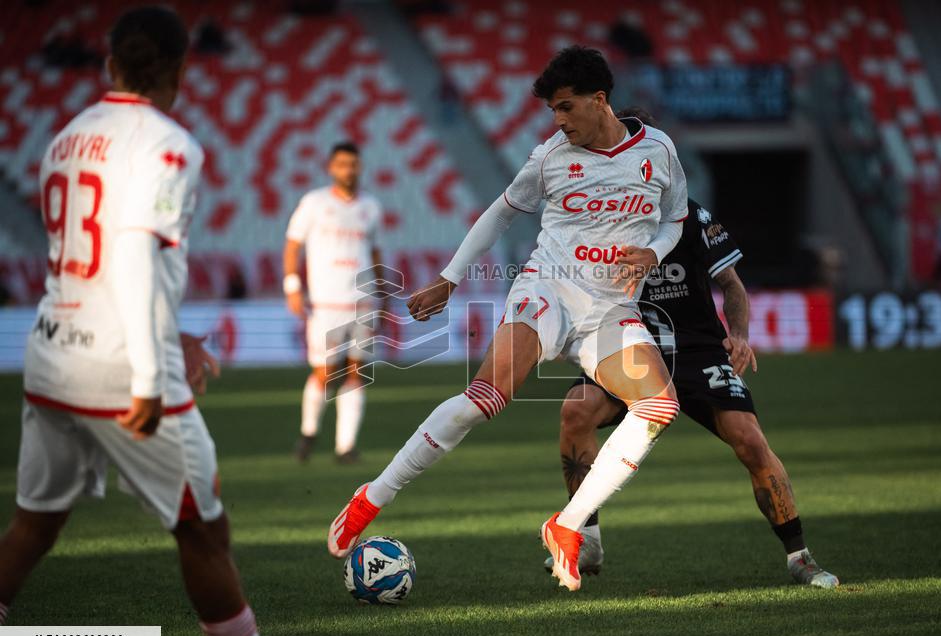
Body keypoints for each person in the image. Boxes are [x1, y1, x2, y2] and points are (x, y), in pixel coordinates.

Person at [327, 46, 689, 593]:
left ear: (600, 100)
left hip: (611, 308)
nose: (558, 120)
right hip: (548, 290)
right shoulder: (550, 158)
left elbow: (674, 219)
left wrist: (654, 253)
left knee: (659, 406)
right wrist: (450, 278)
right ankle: (372, 496)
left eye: (566, 107)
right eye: (552, 110)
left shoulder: (659, 150)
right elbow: (500, 213)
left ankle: (566, 525)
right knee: (484, 400)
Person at [0, 8, 268, 636]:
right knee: (201, 532)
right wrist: (150, 375)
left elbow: (91, 265)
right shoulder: (170, 146)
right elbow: (131, 254)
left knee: (34, 524)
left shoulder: (65, 139)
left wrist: (172, 332)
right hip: (120, 369)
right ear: (180, 68)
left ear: (110, 64)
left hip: (51, 352)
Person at [548, 108, 838, 589]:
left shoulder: (690, 215)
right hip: (631, 346)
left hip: (698, 349)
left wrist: (738, 335)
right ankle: (588, 537)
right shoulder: (597, 221)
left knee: (749, 441)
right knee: (575, 411)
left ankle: (800, 556)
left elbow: (732, 285)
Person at [283, 142, 386, 464]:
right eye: (341, 164)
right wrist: (292, 286)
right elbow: (292, 245)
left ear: (360, 167)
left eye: (353, 164)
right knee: (325, 373)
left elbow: (375, 252)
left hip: (363, 302)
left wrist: (383, 293)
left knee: (357, 372)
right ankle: (309, 431)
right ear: (331, 168)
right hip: (326, 303)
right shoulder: (314, 203)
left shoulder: (371, 207)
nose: (348, 170)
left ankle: (346, 446)